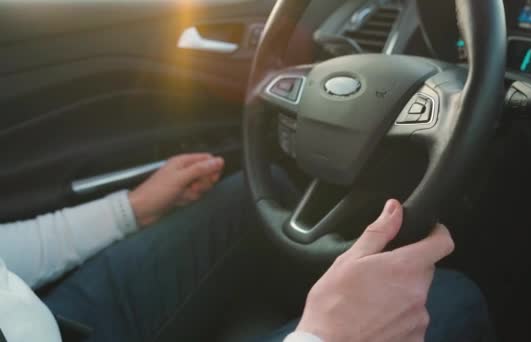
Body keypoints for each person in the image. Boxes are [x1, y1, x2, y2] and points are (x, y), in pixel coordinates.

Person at [0, 153, 492, 342]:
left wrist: (130, 210)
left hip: (39, 319)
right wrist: (326, 338)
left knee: (256, 194)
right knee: (448, 297)